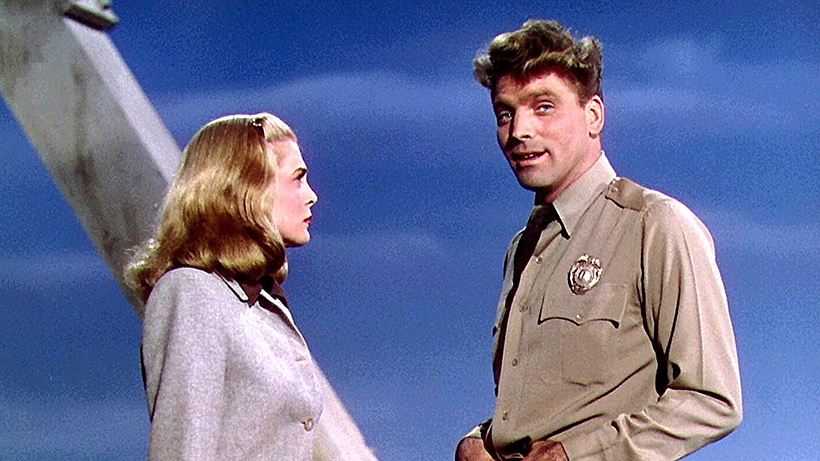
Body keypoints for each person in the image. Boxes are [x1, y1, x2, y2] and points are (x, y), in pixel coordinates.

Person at [456, 20, 742, 461]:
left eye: (543, 107)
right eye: (505, 113)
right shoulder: (523, 248)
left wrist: (578, 455)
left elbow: (712, 400)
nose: (519, 132)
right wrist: (481, 439)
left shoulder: (655, 224)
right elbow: (554, 410)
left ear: (593, 115)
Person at [125, 112, 321, 460]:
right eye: (297, 179)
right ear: (249, 186)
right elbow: (183, 449)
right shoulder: (191, 293)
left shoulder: (265, 304)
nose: (312, 196)